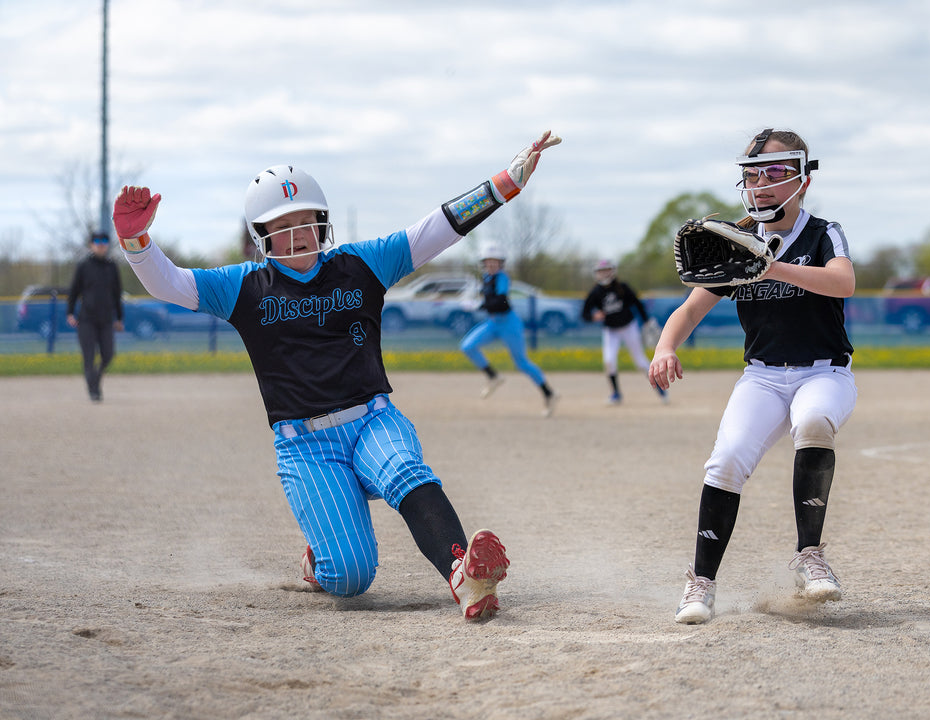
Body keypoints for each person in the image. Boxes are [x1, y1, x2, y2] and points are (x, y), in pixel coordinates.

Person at [111, 131, 562, 621]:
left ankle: (465, 578)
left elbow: (437, 229)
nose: (300, 232)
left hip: (373, 420)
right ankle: (318, 560)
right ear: (260, 232)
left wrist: (503, 185)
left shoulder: (360, 264)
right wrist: (136, 242)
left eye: (309, 220)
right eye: (285, 224)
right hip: (305, 446)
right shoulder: (241, 286)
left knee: (405, 472)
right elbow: (169, 283)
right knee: (350, 577)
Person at [648, 128, 857, 624]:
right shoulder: (736, 242)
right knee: (724, 463)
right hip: (762, 377)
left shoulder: (822, 232)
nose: (761, 183)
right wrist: (664, 346)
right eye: (752, 174)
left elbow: (843, 281)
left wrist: (771, 268)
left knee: (814, 422)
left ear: (802, 180)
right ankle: (699, 585)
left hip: (824, 372)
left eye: (776, 172)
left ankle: (811, 557)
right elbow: (688, 309)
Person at [459, 244, 558, 417]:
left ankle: (549, 394)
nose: (491, 265)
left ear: (501, 264)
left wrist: (477, 305)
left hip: (509, 324)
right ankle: (493, 377)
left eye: (495, 262)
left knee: (521, 363)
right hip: (492, 323)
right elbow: (484, 296)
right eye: (488, 262)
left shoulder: (502, 278)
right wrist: (471, 298)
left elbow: (501, 301)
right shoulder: (485, 278)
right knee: (467, 346)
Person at [581, 259, 667, 405]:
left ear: (612, 271)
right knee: (609, 361)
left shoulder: (622, 287)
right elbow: (584, 314)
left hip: (628, 327)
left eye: (606, 270)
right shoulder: (596, 292)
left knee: (640, 361)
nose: (604, 274)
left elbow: (638, 304)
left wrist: (646, 321)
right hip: (610, 330)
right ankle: (616, 394)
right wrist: (593, 316)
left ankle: (660, 389)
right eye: (601, 271)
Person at [67, 232, 125, 402]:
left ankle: (95, 381)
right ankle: (94, 391)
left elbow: (117, 294)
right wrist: (70, 313)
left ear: (108, 244)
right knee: (89, 356)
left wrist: (119, 318)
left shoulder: (112, 266)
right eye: (97, 241)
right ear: (91, 245)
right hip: (86, 319)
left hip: (106, 319)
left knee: (108, 354)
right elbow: (74, 291)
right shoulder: (84, 265)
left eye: (104, 241)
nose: (101, 244)